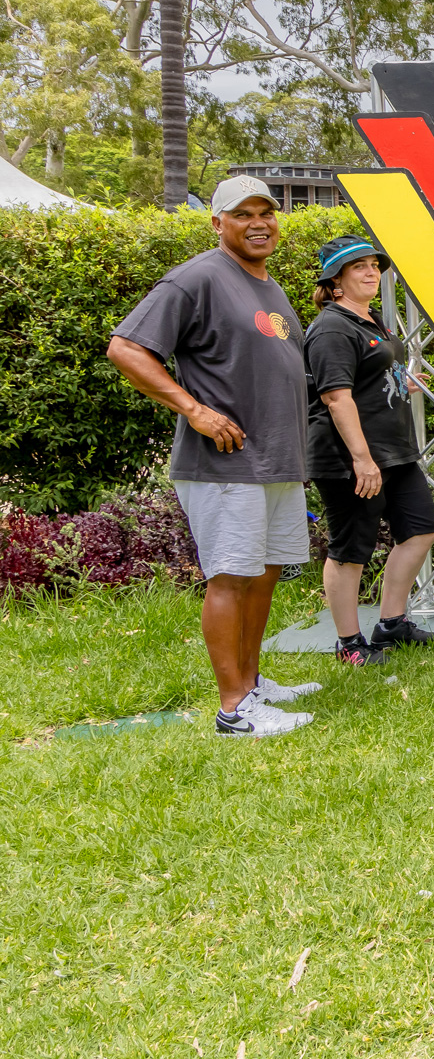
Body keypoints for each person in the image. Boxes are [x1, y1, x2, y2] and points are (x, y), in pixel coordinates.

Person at [106, 174, 319, 736]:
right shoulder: (197, 277)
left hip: (275, 460)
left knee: (265, 572)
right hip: (226, 463)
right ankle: (234, 711)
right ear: (217, 222)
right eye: (243, 214)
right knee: (230, 576)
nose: (259, 223)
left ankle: (250, 683)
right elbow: (125, 348)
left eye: (266, 213)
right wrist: (194, 409)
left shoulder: (267, 286)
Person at [305, 236, 434, 667]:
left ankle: (391, 624)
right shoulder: (331, 328)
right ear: (336, 281)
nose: (371, 272)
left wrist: (403, 378)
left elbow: (372, 373)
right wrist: (362, 460)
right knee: (351, 550)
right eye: (358, 267)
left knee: (422, 529)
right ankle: (349, 643)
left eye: (373, 265)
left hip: (395, 452)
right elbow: (336, 398)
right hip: (350, 457)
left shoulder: (371, 318)